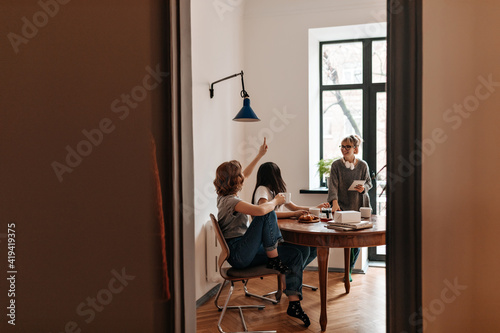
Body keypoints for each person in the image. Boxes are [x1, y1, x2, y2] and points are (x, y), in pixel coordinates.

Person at [213, 138, 311, 327]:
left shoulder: (224, 196)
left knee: (295, 254)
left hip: (243, 250)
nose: (243, 177)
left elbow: (246, 174)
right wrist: (275, 202)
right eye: (239, 176)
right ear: (235, 181)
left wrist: (260, 155)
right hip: (240, 254)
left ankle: (294, 303)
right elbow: (260, 211)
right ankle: (273, 256)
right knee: (265, 211)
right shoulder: (231, 202)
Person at [251, 161, 330, 272]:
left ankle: (293, 273)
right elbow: (266, 211)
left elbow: (295, 207)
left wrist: (316, 207)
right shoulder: (262, 190)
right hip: (271, 236)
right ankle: (293, 274)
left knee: (313, 247)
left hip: (280, 232)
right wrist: (293, 214)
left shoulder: (275, 191)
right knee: (305, 249)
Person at [327, 134, 372, 282]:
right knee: (346, 240)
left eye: (347, 147)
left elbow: (369, 183)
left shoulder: (363, 165)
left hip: (359, 205)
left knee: (356, 241)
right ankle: (347, 269)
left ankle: (349, 270)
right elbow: (332, 185)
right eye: (342, 146)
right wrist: (334, 202)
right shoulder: (336, 165)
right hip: (342, 206)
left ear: (355, 149)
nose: (344, 149)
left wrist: (363, 188)